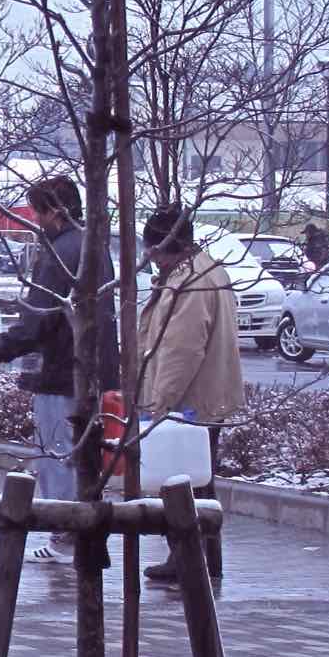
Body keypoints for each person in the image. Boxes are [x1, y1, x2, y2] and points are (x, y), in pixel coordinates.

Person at [0, 176, 120, 565]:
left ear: (54, 211)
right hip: (88, 370)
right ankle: (80, 535)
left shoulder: (58, 254)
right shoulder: (92, 246)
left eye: (38, 212)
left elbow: (39, 318)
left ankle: (65, 533)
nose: (35, 221)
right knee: (80, 458)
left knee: (56, 457)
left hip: (60, 370)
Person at [133, 207, 246, 580]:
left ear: (168, 246)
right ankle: (195, 559)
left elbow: (181, 350)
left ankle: (192, 561)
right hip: (203, 399)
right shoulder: (203, 270)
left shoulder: (191, 281)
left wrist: (159, 404)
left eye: (154, 250)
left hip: (190, 404)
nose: (150, 258)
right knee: (196, 482)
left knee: (184, 483)